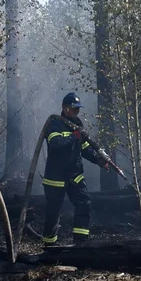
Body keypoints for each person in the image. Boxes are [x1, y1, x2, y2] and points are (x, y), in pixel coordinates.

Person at [42, 92, 107, 247]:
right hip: (55, 178)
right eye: (74, 109)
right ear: (65, 108)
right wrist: (74, 136)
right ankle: (49, 245)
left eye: (78, 109)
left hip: (74, 175)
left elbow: (84, 149)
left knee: (84, 203)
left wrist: (98, 160)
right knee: (54, 211)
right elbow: (56, 144)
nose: (77, 112)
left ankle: (80, 243)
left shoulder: (78, 126)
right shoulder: (54, 124)